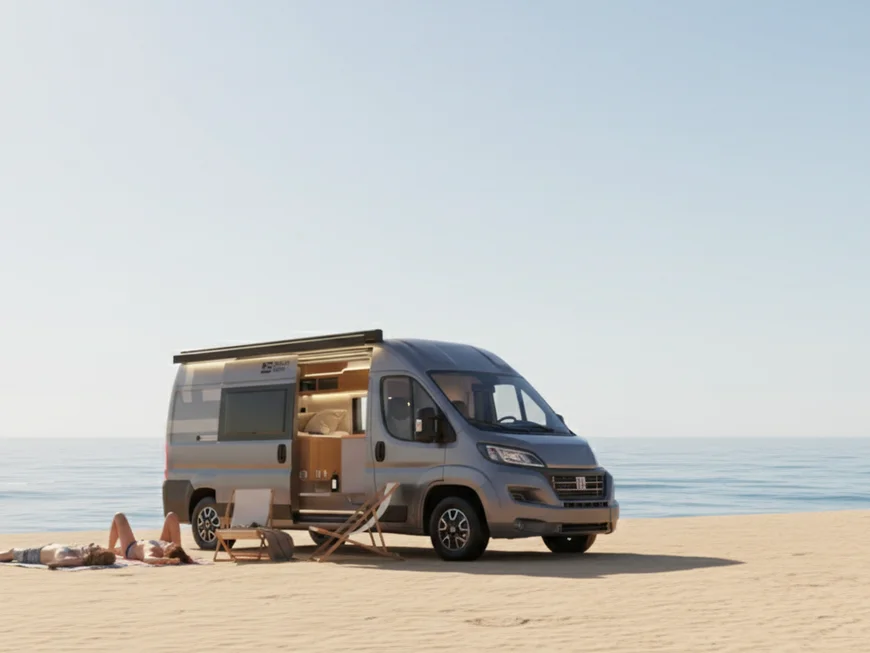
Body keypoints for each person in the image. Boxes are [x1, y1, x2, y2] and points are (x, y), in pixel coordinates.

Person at [108, 511, 194, 565]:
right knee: (172, 515)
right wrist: (184, 557)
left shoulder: (151, 550)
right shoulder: (168, 545)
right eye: (172, 544)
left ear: (166, 553)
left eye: (170, 546)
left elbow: (148, 559)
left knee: (118, 516)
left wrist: (167, 560)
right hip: (160, 546)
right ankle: (180, 553)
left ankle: (110, 550)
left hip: (130, 546)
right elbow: (173, 548)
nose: (171, 543)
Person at [0, 542, 116, 569]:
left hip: (29, 554)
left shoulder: (71, 557)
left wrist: (78, 562)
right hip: (43, 549)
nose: (92, 545)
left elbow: (53, 564)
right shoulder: (76, 553)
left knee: (11, 553)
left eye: (94, 547)